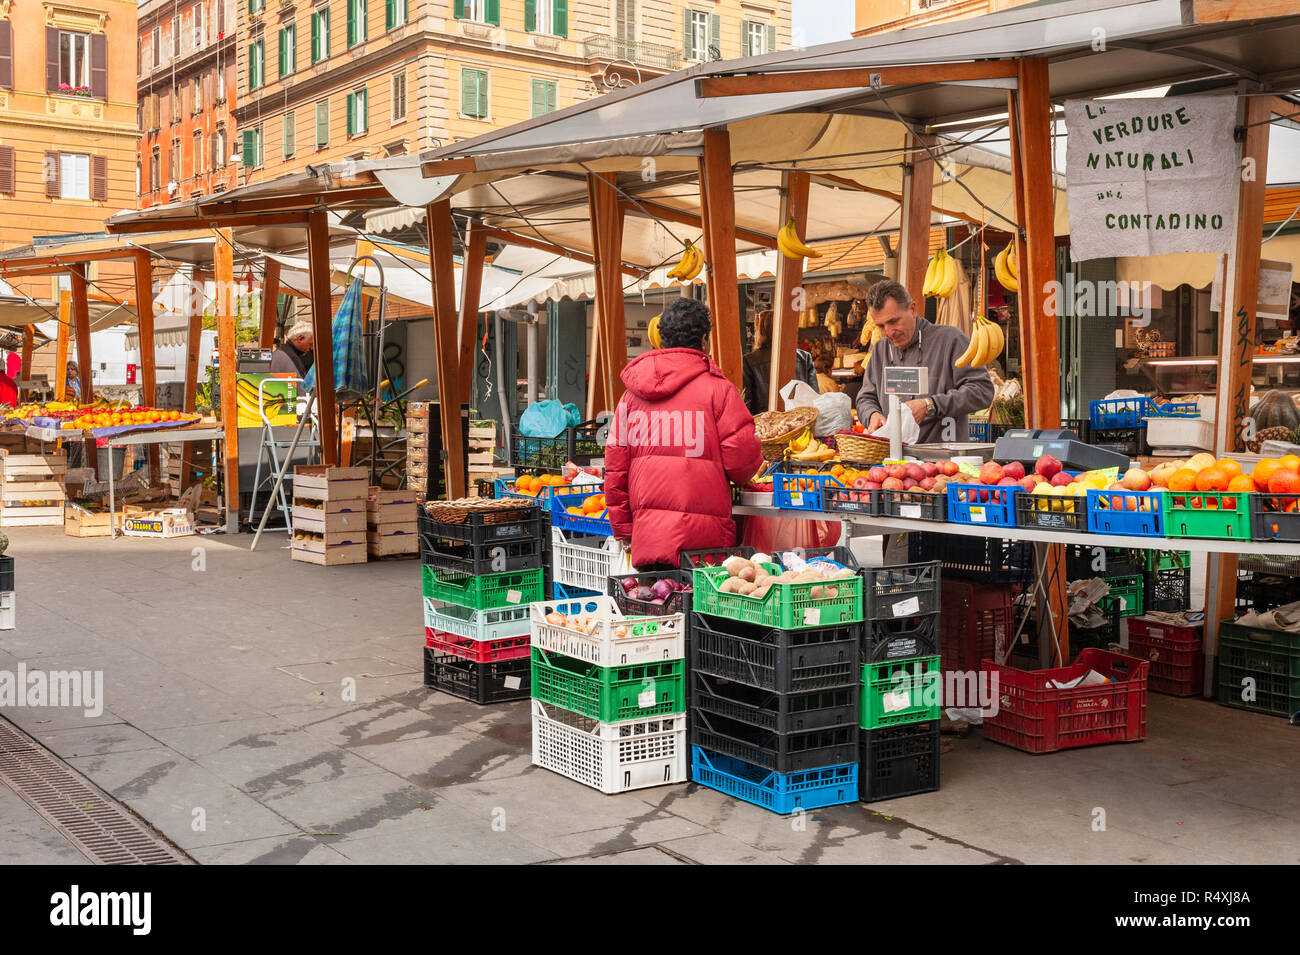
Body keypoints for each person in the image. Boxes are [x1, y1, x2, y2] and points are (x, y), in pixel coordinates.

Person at [605, 297, 764, 569]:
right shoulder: (719, 390)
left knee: (659, 606)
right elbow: (742, 464)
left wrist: (623, 529)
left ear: (662, 339)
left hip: (649, 540)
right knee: (700, 611)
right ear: (704, 340)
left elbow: (615, 470)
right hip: (704, 547)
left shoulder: (631, 397)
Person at [856, 279, 993, 444]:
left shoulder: (950, 340)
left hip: (943, 461)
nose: (889, 332)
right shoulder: (880, 350)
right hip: (894, 462)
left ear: (912, 309)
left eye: (893, 321)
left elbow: (982, 391)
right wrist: (872, 414)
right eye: (881, 326)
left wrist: (931, 404)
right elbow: (866, 397)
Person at [741, 308, 818, 415]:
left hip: (766, 423)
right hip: (800, 422)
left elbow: (747, 401)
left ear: (760, 331)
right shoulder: (805, 357)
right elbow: (814, 395)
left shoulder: (749, 360)